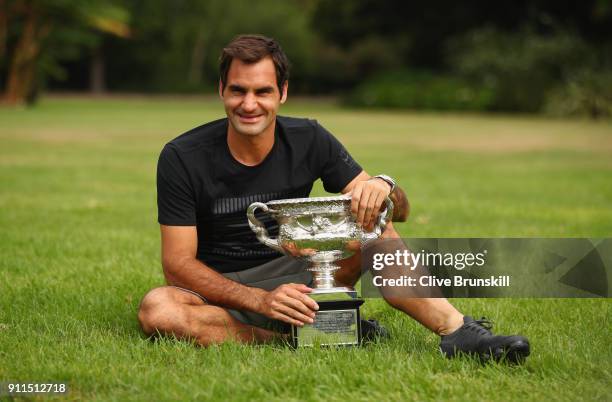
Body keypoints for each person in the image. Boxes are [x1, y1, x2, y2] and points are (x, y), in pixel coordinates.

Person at [137, 34, 530, 363]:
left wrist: (384, 187)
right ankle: (302, 334)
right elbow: (177, 265)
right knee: (159, 309)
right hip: (217, 289)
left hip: (301, 273)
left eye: (263, 91)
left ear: (283, 93)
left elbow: (399, 214)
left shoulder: (310, 138)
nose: (249, 103)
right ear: (222, 90)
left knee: (376, 227)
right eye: (238, 90)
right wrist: (260, 300)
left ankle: (458, 331)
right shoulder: (182, 156)